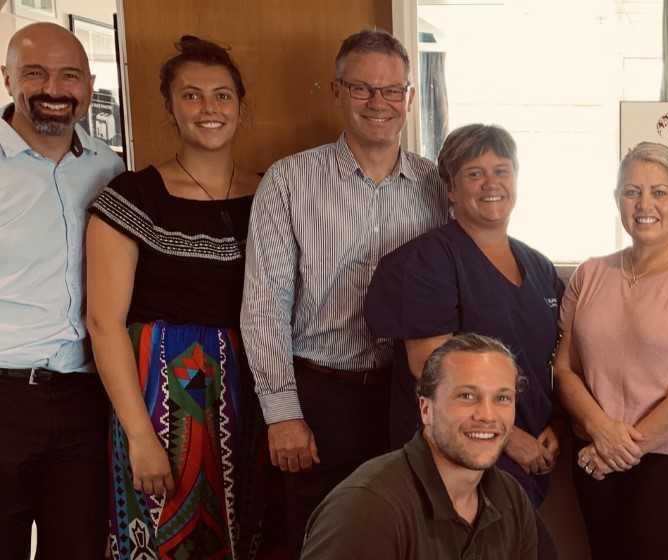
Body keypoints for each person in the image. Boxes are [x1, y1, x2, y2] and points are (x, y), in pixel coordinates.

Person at [240, 28, 448, 555]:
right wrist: (283, 413)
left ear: (409, 97)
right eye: (361, 89)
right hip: (318, 395)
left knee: (404, 532)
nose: (378, 103)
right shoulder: (290, 181)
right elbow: (265, 304)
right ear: (336, 91)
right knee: (315, 535)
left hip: (407, 393)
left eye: (391, 90)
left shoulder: (436, 188)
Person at [84, 36, 268, 558]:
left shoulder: (273, 192)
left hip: (249, 397)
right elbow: (104, 323)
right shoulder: (132, 197)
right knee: (161, 531)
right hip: (156, 397)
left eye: (222, 95)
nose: (208, 109)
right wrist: (140, 436)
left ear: (240, 105)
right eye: (191, 95)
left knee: (247, 534)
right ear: (169, 107)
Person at [553, 142, 668, 560]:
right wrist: (600, 431)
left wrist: (620, 450)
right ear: (616, 199)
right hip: (594, 456)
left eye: (659, 192)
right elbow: (564, 370)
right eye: (631, 191)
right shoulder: (590, 273)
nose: (644, 204)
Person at [365, 123, 562, 503]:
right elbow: (431, 369)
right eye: (475, 173)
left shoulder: (539, 266)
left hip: (531, 450)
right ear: (451, 190)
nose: (491, 183)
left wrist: (555, 425)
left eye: (502, 171)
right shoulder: (427, 262)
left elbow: (548, 359)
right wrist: (511, 439)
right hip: (456, 458)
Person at [0, 22, 125, 559]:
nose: (54, 89)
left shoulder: (109, 168)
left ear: (89, 82)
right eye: (35, 73)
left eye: (69, 75)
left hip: (84, 397)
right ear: (7, 80)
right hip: (3, 393)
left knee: (78, 548)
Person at [300, 333, 538, 560]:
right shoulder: (367, 508)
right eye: (467, 396)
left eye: (502, 398)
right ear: (426, 409)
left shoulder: (511, 498)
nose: (487, 415)